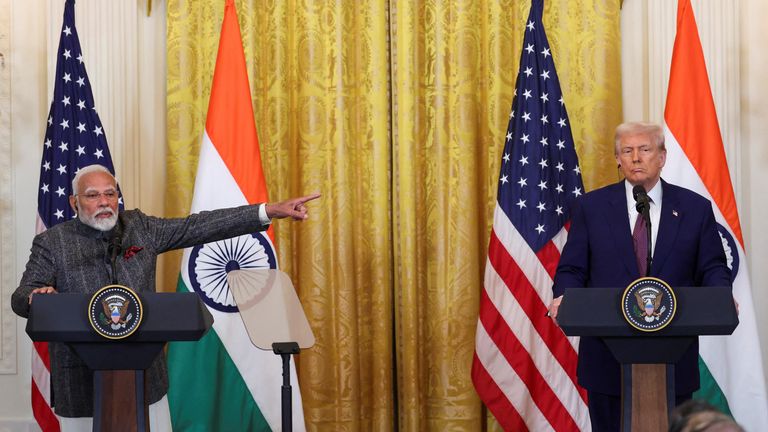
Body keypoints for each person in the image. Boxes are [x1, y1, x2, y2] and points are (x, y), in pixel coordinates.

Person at [11, 164, 320, 431]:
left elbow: (198, 226)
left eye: (111, 193)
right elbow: (22, 295)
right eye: (93, 195)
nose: (105, 202)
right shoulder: (53, 242)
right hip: (80, 383)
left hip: (145, 381)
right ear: (74, 202)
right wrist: (37, 297)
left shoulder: (140, 227)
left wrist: (267, 211)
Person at [548, 122, 731, 431]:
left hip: (674, 359)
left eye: (645, 150)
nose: (636, 158)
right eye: (627, 151)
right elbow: (572, 268)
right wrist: (565, 295)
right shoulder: (591, 207)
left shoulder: (694, 208)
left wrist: (721, 297)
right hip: (606, 361)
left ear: (662, 156)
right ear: (618, 159)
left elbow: (712, 267)